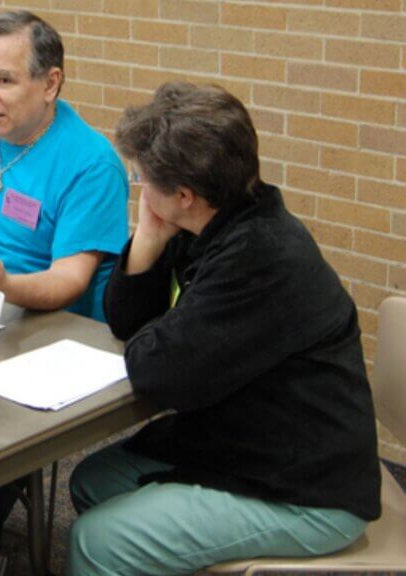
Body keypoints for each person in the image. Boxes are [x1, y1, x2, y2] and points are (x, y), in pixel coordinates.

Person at [68, 82, 381, 575]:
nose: (139, 188)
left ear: (186, 195)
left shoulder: (261, 255)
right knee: (92, 481)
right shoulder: (213, 220)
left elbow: (158, 372)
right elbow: (127, 320)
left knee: (97, 541)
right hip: (244, 442)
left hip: (307, 488)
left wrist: (163, 331)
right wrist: (148, 235)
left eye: (141, 178)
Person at [0, 10, 129, 322]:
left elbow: (69, 279)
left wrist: (2, 286)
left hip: (51, 326)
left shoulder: (94, 165)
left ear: (50, 84)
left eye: (3, 80)